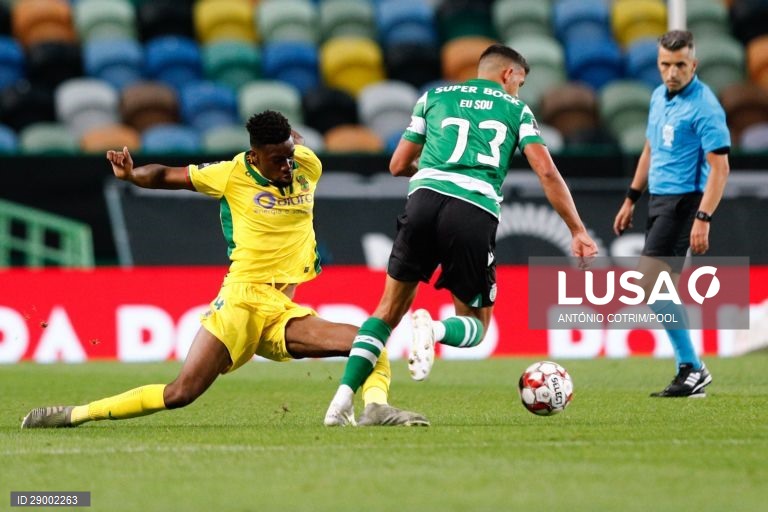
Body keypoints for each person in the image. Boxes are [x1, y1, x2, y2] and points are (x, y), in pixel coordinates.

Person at [22, 110, 428, 429]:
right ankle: (73, 415)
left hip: (280, 308)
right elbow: (167, 176)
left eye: (289, 155)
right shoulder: (232, 173)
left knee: (366, 340)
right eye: (277, 160)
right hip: (242, 301)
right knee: (181, 393)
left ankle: (376, 408)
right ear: (255, 156)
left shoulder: (306, 164)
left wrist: (290, 142)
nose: (288, 166)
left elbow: (294, 145)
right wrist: (132, 175)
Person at [325, 44, 598, 426]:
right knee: (477, 323)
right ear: (508, 75)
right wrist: (577, 229)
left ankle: (340, 403)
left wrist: (436, 171)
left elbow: (397, 163)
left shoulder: (433, 96)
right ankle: (433, 329)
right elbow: (547, 172)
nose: (519, 89)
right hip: (472, 209)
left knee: (386, 312)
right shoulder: (515, 109)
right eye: (520, 81)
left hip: (422, 201)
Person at [612, 30, 730, 398]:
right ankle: (691, 369)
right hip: (658, 200)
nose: (672, 72)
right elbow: (650, 149)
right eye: (665, 64)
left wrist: (704, 217)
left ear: (693, 64)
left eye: (680, 65)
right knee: (658, 286)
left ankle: (692, 367)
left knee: (651, 283)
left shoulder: (706, 106)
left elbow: (721, 167)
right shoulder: (657, 97)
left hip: (685, 201)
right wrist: (632, 197)